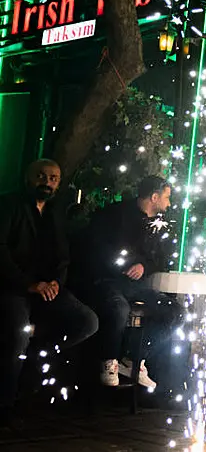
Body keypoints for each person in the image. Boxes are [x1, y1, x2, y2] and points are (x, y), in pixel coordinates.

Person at [0, 159, 98, 418]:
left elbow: (62, 256)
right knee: (17, 334)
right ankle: (6, 401)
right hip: (13, 287)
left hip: (48, 288)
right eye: (41, 176)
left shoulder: (55, 213)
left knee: (87, 321)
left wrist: (56, 282)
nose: (47, 182)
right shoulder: (8, 205)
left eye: (53, 178)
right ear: (28, 178)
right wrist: (28, 284)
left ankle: (34, 359)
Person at [76, 176, 178, 390]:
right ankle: (109, 360)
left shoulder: (159, 226)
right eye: (167, 197)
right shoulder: (113, 216)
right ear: (154, 197)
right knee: (118, 309)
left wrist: (143, 267)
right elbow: (96, 248)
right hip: (107, 279)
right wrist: (120, 265)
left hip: (136, 284)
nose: (169, 203)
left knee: (174, 311)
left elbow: (160, 258)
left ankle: (134, 357)